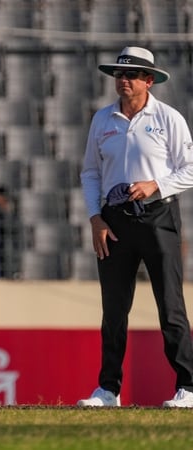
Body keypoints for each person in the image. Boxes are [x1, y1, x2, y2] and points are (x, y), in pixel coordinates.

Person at [78, 46, 193, 408]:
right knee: (113, 309)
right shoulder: (102, 119)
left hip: (158, 216)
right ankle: (108, 389)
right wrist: (95, 217)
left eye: (130, 75)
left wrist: (154, 185)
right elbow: (91, 172)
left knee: (170, 306)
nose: (122, 81)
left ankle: (188, 388)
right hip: (113, 221)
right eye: (119, 75)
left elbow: (189, 169)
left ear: (148, 80)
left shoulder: (169, 118)